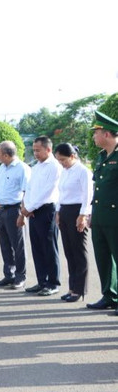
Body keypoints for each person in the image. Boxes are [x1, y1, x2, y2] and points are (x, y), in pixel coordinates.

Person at [18, 136, 62, 296]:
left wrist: (29, 207)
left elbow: (48, 191)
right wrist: (25, 207)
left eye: (38, 150)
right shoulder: (36, 167)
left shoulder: (54, 167)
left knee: (49, 247)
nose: (35, 153)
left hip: (47, 209)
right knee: (37, 247)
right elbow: (29, 189)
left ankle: (53, 282)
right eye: (34, 150)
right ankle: (42, 281)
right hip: (33, 211)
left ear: (48, 149)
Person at [86, 111, 118, 311]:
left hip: (116, 217)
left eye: (96, 133)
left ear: (106, 134)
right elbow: (99, 187)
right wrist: (92, 213)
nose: (93, 137)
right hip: (100, 216)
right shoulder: (101, 157)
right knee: (103, 258)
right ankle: (110, 295)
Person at [54, 143, 92, 303]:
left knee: (78, 251)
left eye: (63, 160)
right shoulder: (64, 171)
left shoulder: (83, 171)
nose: (61, 163)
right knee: (69, 251)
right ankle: (72, 287)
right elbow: (60, 192)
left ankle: (80, 289)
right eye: (59, 160)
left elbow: (87, 195)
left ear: (72, 156)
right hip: (64, 210)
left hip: (78, 211)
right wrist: (57, 211)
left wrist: (83, 215)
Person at [0, 141, 32, 290]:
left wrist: (22, 214)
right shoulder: (2, 168)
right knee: (4, 244)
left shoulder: (22, 168)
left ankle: (20, 276)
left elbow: (26, 192)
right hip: (3, 209)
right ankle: (9, 275)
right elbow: (0, 190)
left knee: (18, 245)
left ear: (5, 154)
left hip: (15, 209)